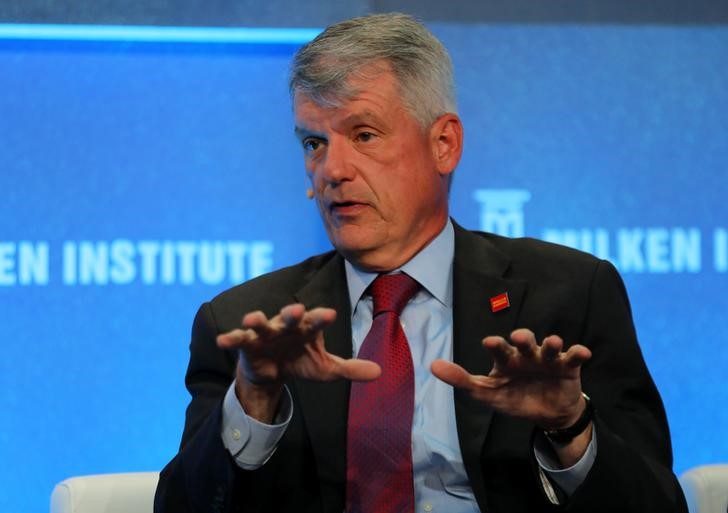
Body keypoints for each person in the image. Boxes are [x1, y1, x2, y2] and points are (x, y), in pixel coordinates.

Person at [154, 13, 687, 513]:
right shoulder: (250, 325)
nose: (332, 169)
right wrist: (253, 398)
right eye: (314, 142)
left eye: (364, 134)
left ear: (444, 144)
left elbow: (659, 503)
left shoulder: (567, 295)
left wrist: (572, 428)